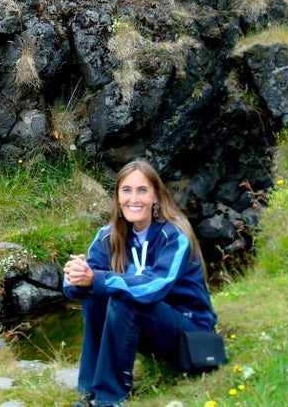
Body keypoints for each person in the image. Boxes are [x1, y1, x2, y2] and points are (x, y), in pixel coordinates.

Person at [63, 159, 217, 406]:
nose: (133, 198)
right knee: (94, 294)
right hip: (150, 330)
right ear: (117, 197)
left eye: (142, 190)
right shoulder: (108, 235)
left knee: (124, 298)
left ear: (156, 196)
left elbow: (153, 287)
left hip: (191, 335)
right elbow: (86, 282)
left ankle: (108, 397)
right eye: (126, 190)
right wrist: (76, 275)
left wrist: (97, 278)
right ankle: (91, 391)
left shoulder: (174, 235)